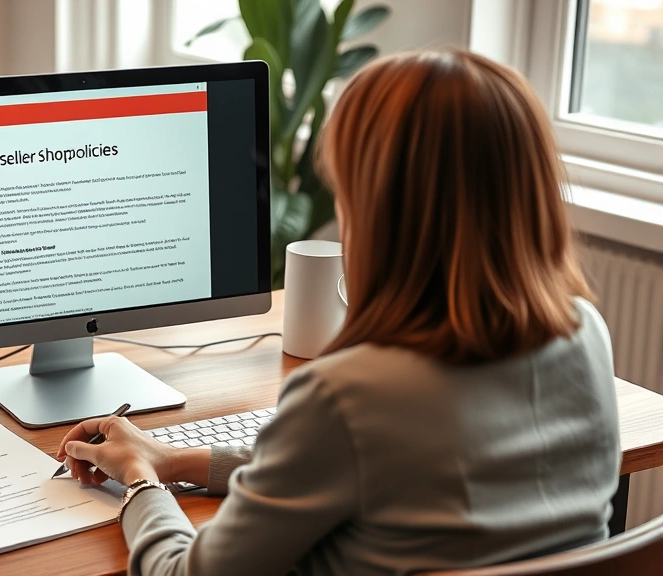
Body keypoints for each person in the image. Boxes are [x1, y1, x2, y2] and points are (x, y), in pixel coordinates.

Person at [56, 49, 620, 576]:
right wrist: (177, 460)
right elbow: (348, 466)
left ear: (380, 213)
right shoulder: (584, 333)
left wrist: (140, 481)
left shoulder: (346, 396)